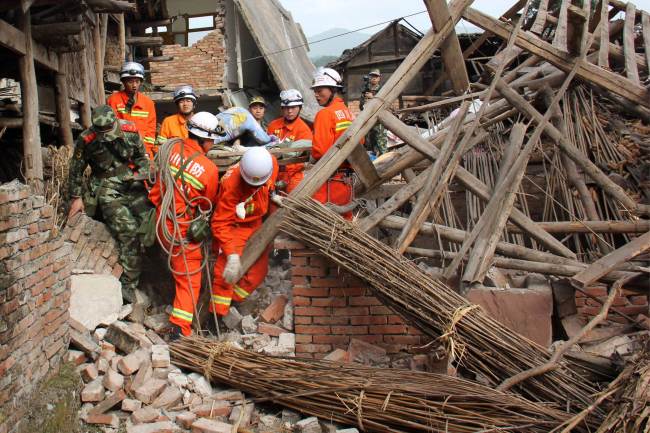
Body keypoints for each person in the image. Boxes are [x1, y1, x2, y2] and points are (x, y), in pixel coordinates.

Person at [68, 105, 152, 302]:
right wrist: (76, 197)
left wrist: (145, 175)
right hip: (104, 187)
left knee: (150, 224)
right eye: (102, 132)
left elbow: (142, 157)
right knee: (128, 231)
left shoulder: (130, 129)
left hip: (132, 181)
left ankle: (154, 274)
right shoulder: (86, 139)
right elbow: (75, 169)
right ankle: (128, 286)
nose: (106, 135)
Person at [149, 112, 220, 339]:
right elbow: (206, 203)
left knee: (176, 270)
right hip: (181, 229)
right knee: (190, 279)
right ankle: (180, 328)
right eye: (212, 140)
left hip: (161, 220)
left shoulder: (170, 150)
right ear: (205, 139)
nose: (213, 144)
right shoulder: (208, 169)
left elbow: (157, 185)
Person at [210, 147, 279, 316]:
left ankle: (234, 300)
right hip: (235, 226)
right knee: (225, 274)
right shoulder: (231, 185)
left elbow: (270, 184)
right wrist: (232, 255)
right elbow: (220, 223)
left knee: (259, 271)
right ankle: (216, 315)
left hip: (255, 222)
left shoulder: (270, 164)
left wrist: (272, 195)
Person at [310, 67, 359, 220]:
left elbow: (320, 151)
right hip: (347, 182)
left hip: (331, 182)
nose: (316, 94)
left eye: (320, 90)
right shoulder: (349, 113)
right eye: (315, 90)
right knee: (345, 223)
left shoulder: (325, 114)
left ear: (333, 89)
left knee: (321, 224)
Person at [266, 89, 313, 193]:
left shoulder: (304, 130)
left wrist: (285, 178)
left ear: (300, 108)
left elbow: (303, 160)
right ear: (282, 108)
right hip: (271, 173)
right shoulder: (273, 125)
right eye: (286, 108)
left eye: (293, 107)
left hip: (293, 176)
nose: (290, 111)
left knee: (291, 206)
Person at [107, 62, 157, 158]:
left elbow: (151, 130)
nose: (134, 85)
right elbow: (111, 128)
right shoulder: (113, 100)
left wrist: (145, 150)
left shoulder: (148, 103)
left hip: (143, 151)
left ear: (141, 82)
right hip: (120, 150)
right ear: (124, 82)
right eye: (130, 82)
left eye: (137, 82)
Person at [359, 69, 387, 156]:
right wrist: (365, 101)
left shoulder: (382, 89)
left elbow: (385, 103)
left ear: (379, 78)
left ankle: (386, 161)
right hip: (368, 119)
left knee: (381, 143)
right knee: (369, 143)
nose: (374, 78)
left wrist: (373, 97)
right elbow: (361, 106)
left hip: (379, 120)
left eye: (376, 76)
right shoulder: (365, 90)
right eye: (372, 76)